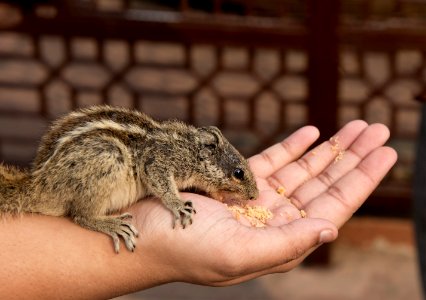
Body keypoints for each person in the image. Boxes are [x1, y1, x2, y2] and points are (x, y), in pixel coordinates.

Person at [0, 120, 397, 299]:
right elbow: (155, 169)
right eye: (239, 175)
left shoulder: (193, 159)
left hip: (85, 168)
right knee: (109, 159)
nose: (243, 186)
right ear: (212, 156)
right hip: (88, 165)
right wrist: (172, 202)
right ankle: (88, 217)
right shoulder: (181, 155)